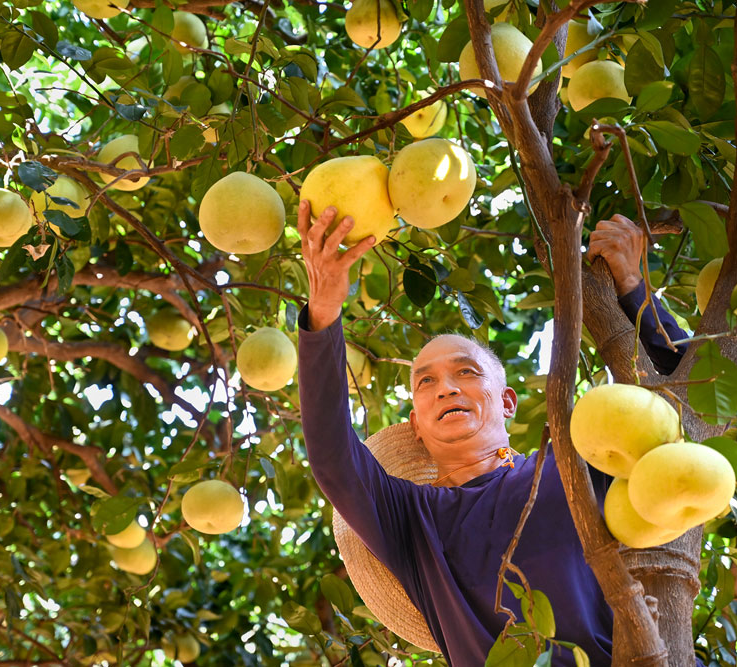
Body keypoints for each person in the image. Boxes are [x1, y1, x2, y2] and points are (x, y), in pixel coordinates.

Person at [295, 201, 689, 666]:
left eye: (465, 372)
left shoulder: (575, 464)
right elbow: (331, 457)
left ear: (506, 403)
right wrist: (322, 311)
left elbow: (678, 409)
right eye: (426, 381)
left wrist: (633, 286)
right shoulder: (412, 522)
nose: (445, 388)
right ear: (416, 426)